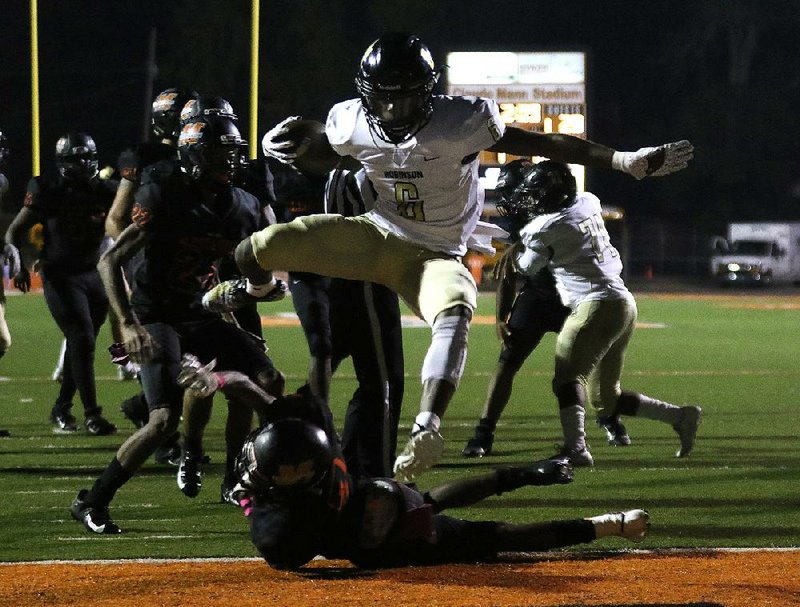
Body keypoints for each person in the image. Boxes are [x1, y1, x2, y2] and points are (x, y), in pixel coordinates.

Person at [203, 32, 694, 483]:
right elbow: (324, 145)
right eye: (384, 96)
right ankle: (257, 290)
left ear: (429, 92)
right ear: (366, 93)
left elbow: (543, 141)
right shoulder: (351, 118)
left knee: (456, 308)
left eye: (406, 95)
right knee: (258, 248)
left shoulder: (461, 122)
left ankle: (426, 426)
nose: (393, 108)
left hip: (434, 253)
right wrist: (283, 143)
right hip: (377, 233)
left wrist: (622, 160)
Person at [174, 354, 649, 569]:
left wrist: (215, 379)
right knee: (488, 538)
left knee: (412, 498)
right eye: (273, 470)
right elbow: (302, 556)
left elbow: (246, 388)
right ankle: (602, 525)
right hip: (365, 542)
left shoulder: (310, 436)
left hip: (356, 502)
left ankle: (527, 476)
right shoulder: (278, 530)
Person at [68, 115, 286, 535]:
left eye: (232, 151)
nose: (229, 159)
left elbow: (225, 274)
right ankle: (92, 500)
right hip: (157, 316)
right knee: (162, 420)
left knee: (269, 380)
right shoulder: (166, 195)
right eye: (218, 151)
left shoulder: (242, 205)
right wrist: (128, 324)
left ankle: (240, 476)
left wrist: (249, 297)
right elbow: (109, 260)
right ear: (194, 155)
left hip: (201, 313)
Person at [498, 160, 702, 466]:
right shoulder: (588, 200)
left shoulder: (544, 227)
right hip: (623, 303)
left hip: (595, 306)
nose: (533, 199)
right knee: (605, 399)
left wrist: (515, 248)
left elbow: (528, 267)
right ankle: (680, 416)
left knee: (566, 378)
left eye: (538, 193)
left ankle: (576, 449)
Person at [462, 160, 629, 457]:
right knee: (507, 361)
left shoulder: (567, 206)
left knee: (584, 366)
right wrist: (501, 316)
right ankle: (484, 432)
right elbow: (509, 272)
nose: (511, 201)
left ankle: (607, 417)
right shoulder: (526, 219)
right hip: (538, 296)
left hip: (577, 297)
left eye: (515, 193)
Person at [5, 132, 118, 435]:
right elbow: (14, 231)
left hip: (96, 276)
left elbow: (126, 226)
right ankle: (93, 414)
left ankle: (61, 407)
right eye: (76, 158)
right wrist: (18, 266)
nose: (83, 163)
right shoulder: (49, 190)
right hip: (61, 275)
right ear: (64, 163)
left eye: (87, 157)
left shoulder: (108, 190)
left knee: (83, 345)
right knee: (81, 338)